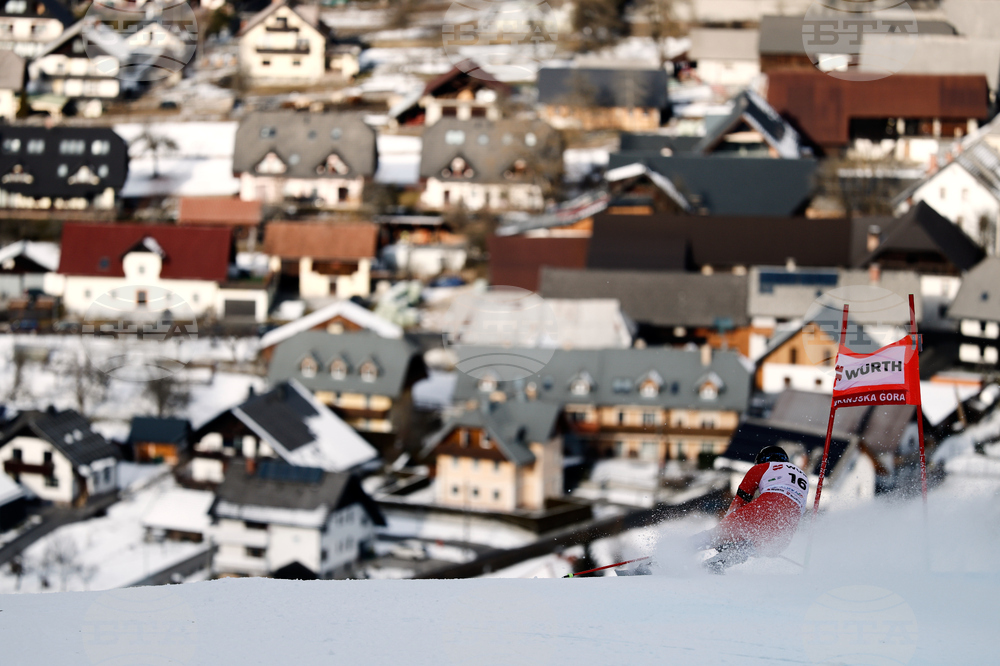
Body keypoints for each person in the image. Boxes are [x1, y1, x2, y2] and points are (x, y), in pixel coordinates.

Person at [693, 445, 809, 573]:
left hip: (765, 507)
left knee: (714, 537)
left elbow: (739, 503)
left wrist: (725, 533)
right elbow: (795, 511)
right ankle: (715, 565)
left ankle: (679, 549)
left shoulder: (762, 467)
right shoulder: (803, 476)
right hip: (786, 528)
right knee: (750, 547)